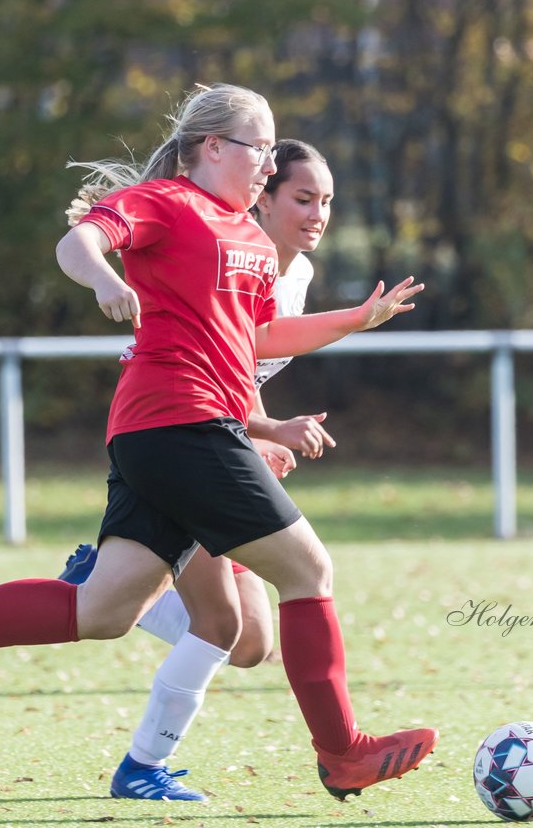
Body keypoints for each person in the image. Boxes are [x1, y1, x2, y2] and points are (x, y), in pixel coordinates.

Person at [0, 84, 437, 801]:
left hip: (164, 434)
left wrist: (355, 318)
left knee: (101, 611)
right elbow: (80, 243)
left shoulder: (253, 239)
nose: (267, 161)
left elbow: (259, 338)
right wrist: (104, 277)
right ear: (213, 147)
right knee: (308, 572)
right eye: (259, 148)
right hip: (182, 423)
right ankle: (342, 751)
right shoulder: (166, 201)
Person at [56, 139, 338, 800]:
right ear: (260, 199)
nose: (318, 213)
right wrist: (254, 434)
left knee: (249, 643)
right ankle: (142, 765)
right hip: (180, 441)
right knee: (237, 623)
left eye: (326, 201)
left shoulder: (293, 276)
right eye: (301, 197)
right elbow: (207, 363)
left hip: (212, 439)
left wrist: (266, 429)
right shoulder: (222, 246)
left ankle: (139, 754)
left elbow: (242, 368)